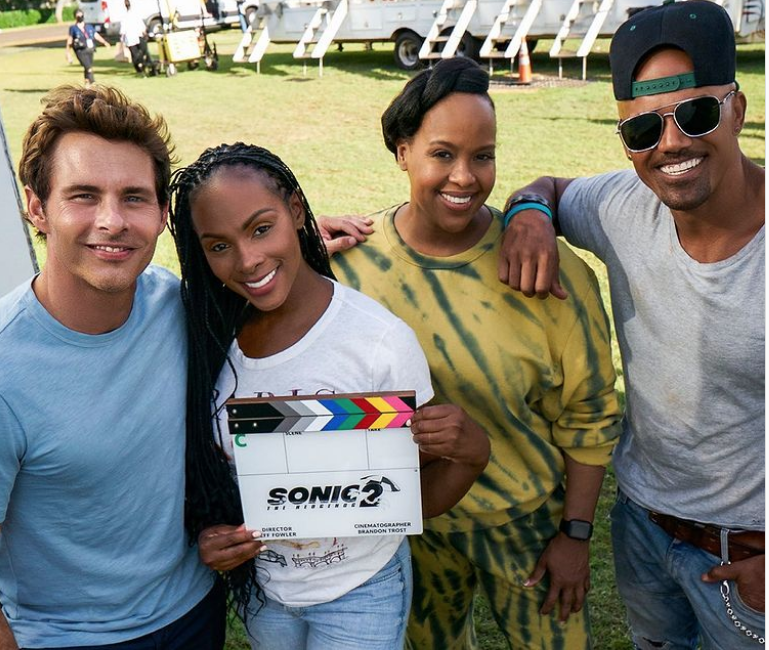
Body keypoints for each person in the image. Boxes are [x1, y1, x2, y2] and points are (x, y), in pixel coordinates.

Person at [498, 2, 765, 648]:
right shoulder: (624, 205)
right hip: (642, 527)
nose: (669, 144)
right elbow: (549, 187)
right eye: (642, 128)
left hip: (749, 554)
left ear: (737, 109)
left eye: (694, 114)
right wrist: (529, 212)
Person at [331, 58, 622, 649]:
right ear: (402, 152)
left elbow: (590, 414)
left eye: (483, 156)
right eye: (442, 154)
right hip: (412, 526)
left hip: (528, 525)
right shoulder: (347, 270)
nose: (464, 177)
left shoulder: (549, 271)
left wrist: (574, 535)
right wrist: (294, 242)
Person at [166, 142, 490, 649]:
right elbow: (214, 477)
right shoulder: (208, 337)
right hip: (265, 593)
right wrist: (213, 534)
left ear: (296, 211)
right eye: (219, 246)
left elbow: (411, 494)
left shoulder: (378, 342)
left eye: (261, 228)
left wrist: (471, 457)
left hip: (361, 590)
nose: (248, 260)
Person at [0, 85, 224, 649]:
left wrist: (295, 243)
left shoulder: (174, 303)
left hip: (195, 609)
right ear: (36, 207)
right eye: (83, 195)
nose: (112, 220)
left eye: (134, 197)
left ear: (162, 214)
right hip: (67, 636)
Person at [65, 10, 111, 86]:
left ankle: (87, 84)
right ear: (75, 17)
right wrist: (67, 52)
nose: (80, 17)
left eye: (81, 15)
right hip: (80, 51)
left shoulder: (89, 27)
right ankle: (93, 84)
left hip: (90, 50)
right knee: (89, 68)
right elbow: (70, 40)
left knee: (87, 68)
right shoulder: (73, 28)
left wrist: (104, 42)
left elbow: (96, 35)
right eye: (78, 16)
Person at [120, 0, 159, 76]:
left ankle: (140, 69)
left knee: (135, 55)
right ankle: (149, 66)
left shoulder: (124, 17)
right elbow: (142, 27)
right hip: (139, 36)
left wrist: (122, 41)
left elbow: (123, 31)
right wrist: (145, 35)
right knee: (144, 53)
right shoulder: (135, 15)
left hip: (130, 39)